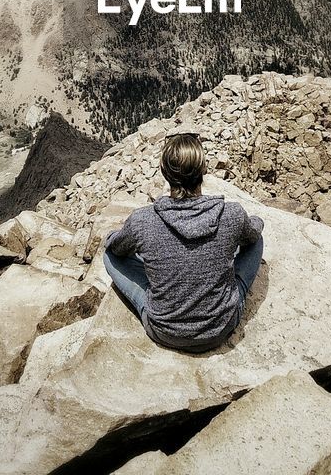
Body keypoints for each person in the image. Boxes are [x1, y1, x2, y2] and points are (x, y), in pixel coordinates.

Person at [102, 132, 264, 353]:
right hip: (221, 327)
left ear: (165, 173)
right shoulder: (232, 214)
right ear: (203, 170)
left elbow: (116, 249)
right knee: (256, 242)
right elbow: (252, 235)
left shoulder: (142, 220)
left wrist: (112, 237)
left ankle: (163, 297)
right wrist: (256, 221)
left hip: (164, 331)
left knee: (109, 256)